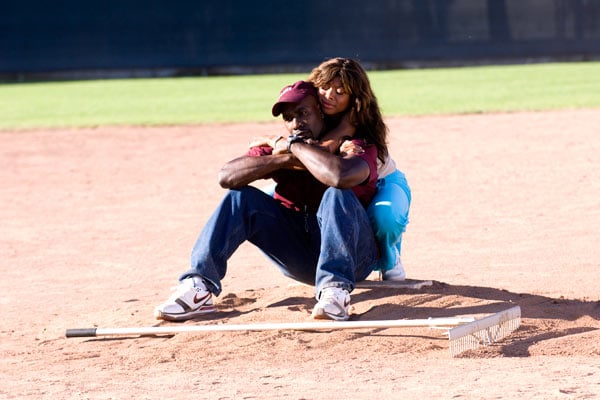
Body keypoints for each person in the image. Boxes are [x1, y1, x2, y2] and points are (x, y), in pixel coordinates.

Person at [154, 80, 382, 322]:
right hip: (301, 257)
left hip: (356, 258)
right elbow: (227, 176)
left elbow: (339, 175)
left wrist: (293, 147)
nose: (296, 123)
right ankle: (199, 285)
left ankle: (335, 292)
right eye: (289, 117)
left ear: (322, 112)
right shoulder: (280, 149)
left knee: (337, 193)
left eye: (303, 113)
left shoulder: (354, 142)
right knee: (240, 197)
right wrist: (285, 158)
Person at [254, 58, 412, 281]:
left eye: (340, 91)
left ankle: (389, 257)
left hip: (381, 181)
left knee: (384, 216)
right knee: (272, 200)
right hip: (336, 177)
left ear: (353, 97)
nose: (330, 96)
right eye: (325, 87)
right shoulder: (311, 107)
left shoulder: (354, 118)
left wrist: (278, 141)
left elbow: (325, 150)